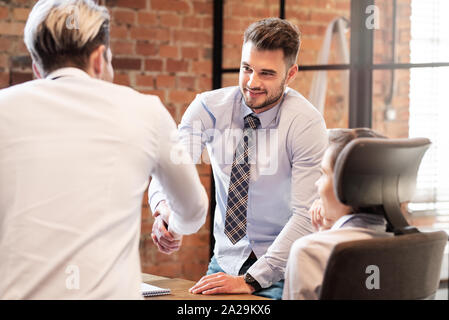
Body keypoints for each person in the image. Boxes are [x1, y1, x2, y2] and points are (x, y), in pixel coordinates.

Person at [0, 0, 208, 299]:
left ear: (36, 68)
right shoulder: (144, 111)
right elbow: (193, 210)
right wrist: (172, 224)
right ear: (100, 59)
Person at [149, 18, 328, 300]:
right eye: (247, 69)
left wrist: (251, 280)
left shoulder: (305, 123)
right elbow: (169, 168)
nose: (252, 82)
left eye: (267, 74)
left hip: (284, 267)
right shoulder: (208, 108)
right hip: (225, 261)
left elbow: (306, 216)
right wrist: (164, 212)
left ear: (290, 74)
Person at [282, 128, 392, 300]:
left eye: (324, 173)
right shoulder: (412, 242)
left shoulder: (310, 251)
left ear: (349, 186)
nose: (317, 184)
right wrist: (328, 232)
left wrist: (320, 240)